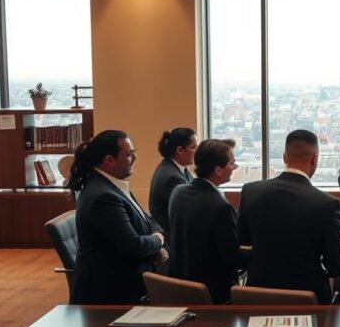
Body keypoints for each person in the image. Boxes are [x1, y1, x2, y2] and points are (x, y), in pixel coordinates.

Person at [238, 129, 340, 304]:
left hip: (258, 296)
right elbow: (336, 266)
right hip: (308, 299)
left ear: (284, 158)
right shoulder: (326, 204)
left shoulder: (251, 191)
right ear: (315, 159)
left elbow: (243, 241)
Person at [67, 130, 167, 305]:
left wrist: (155, 240)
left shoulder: (113, 186)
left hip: (123, 281)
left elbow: (149, 221)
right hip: (108, 295)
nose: (135, 158)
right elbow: (134, 246)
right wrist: (158, 240)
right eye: (129, 154)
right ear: (110, 160)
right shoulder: (103, 197)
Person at [167, 138, 241, 304]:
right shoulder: (221, 207)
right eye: (232, 163)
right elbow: (234, 258)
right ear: (218, 170)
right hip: (213, 295)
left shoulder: (178, 192)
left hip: (179, 287)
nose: (235, 167)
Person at [148, 127, 197, 274]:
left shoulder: (179, 169)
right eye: (194, 147)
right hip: (173, 244)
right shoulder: (172, 177)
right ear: (180, 150)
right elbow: (189, 213)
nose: (197, 151)